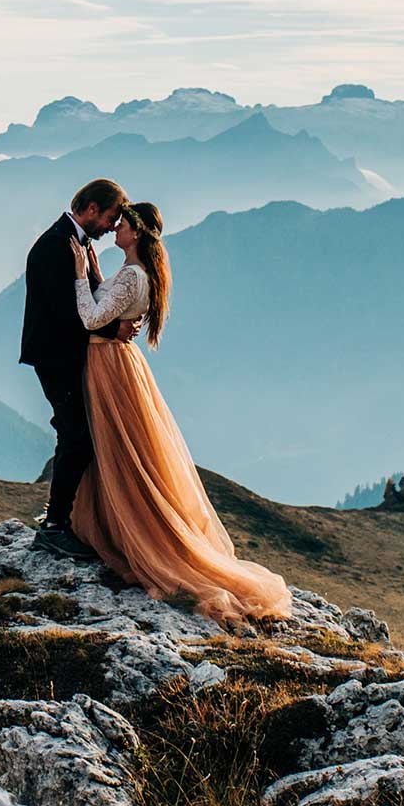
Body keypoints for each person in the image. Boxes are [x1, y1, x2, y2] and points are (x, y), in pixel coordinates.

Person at [65, 201, 292, 626]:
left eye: (123, 224)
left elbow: (90, 315)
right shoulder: (135, 273)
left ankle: (129, 534)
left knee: (118, 451)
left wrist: (79, 274)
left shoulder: (134, 275)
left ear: (136, 233)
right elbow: (108, 304)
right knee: (120, 451)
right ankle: (112, 526)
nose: (115, 228)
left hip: (108, 365)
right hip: (117, 361)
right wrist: (96, 272)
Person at [20, 177, 135, 559]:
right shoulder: (55, 246)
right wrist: (113, 327)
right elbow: (66, 314)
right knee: (76, 435)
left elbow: (87, 299)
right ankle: (55, 526)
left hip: (68, 354)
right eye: (109, 218)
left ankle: (69, 519)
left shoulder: (78, 244)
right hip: (55, 356)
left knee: (77, 433)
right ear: (91, 210)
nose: (110, 227)